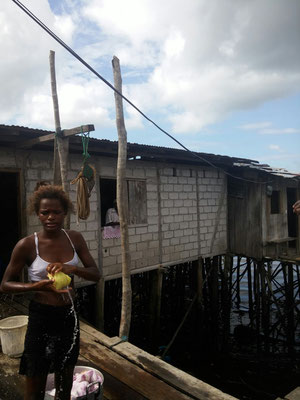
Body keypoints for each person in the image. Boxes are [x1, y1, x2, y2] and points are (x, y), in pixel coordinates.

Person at [0, 184, 101, 400]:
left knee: (65, 377)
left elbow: (95, 274)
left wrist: (72, 268)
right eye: (45, 212)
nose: (51, 217)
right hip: (41, 316)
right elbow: (5, 284)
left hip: (68, 316)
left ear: (65, 213)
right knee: (35, 377)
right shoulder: (26, 245)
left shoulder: (75, 238)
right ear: (37, 213)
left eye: (56, 212)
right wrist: (35, 286)